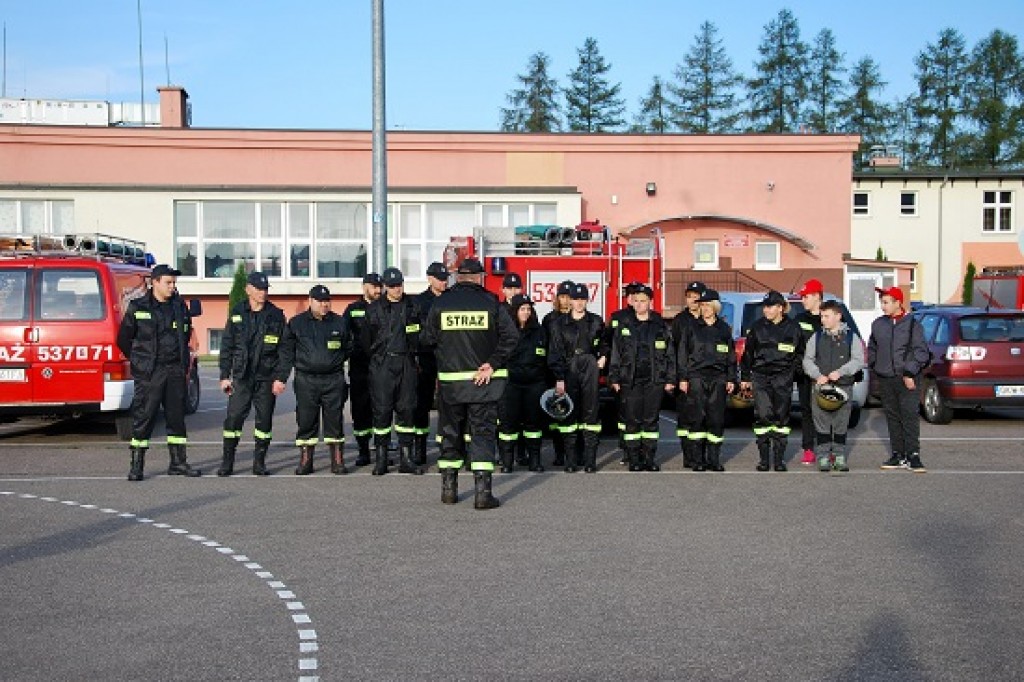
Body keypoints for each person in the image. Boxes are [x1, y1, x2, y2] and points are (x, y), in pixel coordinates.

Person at [421, 258, 517, 508]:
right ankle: (483, 494)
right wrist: (492, 363)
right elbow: (511, 337)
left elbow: (427, 339)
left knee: (450, 434)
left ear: (458, 276)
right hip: (483, 384)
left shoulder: (441, 303)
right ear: (478, 277)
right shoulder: (491, 303)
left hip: (451, 385)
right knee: (482, 434)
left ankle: (449, 491)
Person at [117, 264, 200, 481]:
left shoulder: (179, 307)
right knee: (144, 418)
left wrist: (183, 366)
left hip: (174, 371)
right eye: (168, 283)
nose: (172, 287)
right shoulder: (138, 306)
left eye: (174, 283)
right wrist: (139, 362)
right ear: (155, 282)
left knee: (176, 418)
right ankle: (137, 466)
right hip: (150, 373)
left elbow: (186, 335)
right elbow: (123, 339)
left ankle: (178, 463)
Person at [273, 285, 351, 475]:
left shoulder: (339, 322)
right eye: (320, 301)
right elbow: (286, 353)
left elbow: (349, 346)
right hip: (306, 380)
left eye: (327, 301)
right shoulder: (296, 323)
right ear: (310, 301)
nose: (324, 305)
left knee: (334, 420)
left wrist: (336, 362)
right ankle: (306, 460)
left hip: (333, 379)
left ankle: (337, 460)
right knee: (306, 421)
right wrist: (280, 378)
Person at [217, 271, 286, 476]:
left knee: (264, 422)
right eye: (259, 289)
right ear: (248, 289)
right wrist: (224, 375)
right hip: (242, 377)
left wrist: (280, 378)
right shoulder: (238, 312)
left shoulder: (276, 315)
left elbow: (284, 350)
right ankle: (227, 462)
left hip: (266, 378)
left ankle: (259, 462)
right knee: (233, 420)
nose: (263, 293)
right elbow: (227, 346)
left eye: (265, 289)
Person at [363, 266, 422, 476]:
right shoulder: (374, 309)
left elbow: (419, 335)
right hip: (383, 364)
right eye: (394, 286)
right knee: (382, 411)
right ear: (386, 287)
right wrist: (378, 359)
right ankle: (381, 457)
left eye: (400, 285)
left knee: (407, 409)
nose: (398, 289)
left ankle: (407, 457)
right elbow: (366, 341)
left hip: (406, 362)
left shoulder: (413, 306)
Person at [608, 284, 675, 472]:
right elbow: (616, 353)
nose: (639, 304)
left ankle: (649, 459)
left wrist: (670, 379)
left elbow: (670, 354)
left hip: (654, 380)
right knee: (632, 420)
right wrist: (614, 377)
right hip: (630, 380)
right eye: (636, 301)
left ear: (650, 302)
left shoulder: (660, 326)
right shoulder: (624, 325)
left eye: (643, 301)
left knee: (651, 421)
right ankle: (634, 459)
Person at [739, 290, 804, 472]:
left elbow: (800, 354)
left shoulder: (793, 328)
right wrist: (745, 377)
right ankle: (764, 459)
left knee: (781, 418)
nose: (765, 310)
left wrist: (793, 373)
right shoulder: (757, 327)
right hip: (760, 376)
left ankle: (779, 459)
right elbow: (748, 354)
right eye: (765, 307)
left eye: (769, 307)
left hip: (783, 377)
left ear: (781, 308)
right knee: (763, 416)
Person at [868, 286, 930, 473]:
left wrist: (910, 373)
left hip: (907, 379)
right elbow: (872, 347)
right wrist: (875, 365)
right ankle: (898, 454)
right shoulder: (878, 324)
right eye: (882, 302)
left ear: (898, 303)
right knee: (892, 416)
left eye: (886, 302)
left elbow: (921, 352)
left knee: (909, 415)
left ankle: (913, 455)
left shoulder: (912, 325)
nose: (883, 306)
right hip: (886, 378)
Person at [548, 282, 607, 473]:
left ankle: (590, 461)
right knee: (570, 414)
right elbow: (555, 352)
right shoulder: (559, 324)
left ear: (587, 301)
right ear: (570, 301)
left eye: (582, 299)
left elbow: (605, 343)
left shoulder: (596, 321)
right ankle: (571, 460)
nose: (579, 303)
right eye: (576, 299)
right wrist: (559, 377)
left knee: (591, 413)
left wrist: (603, 356)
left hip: (590, 365)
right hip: (569, 367)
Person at [803, 299, 865, 473]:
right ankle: (823, 456)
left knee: (840, 423)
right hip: (820, 388)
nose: (823, 319)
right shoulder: (816, 337)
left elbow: (859, 360)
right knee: (821, 423)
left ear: (838, 316)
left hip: (843, 387)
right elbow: (807, 360)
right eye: (822, 316)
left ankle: (838, 456)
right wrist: (817, 375)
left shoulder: (852, 337)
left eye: (827, 316)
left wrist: (842, 372)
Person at [677, 289, 736, 472]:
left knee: (716, 419)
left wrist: (731, 378)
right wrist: (683, 378)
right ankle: (697, 460)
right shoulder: (691, 328)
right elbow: (682, 354)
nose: (704, 309)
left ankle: (714, 459)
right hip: (696, 377)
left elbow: (731, 357)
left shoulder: (724, 329)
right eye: (702, 305)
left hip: (718, 378)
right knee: (697, 419)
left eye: (708, 305)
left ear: (715, 307)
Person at [497, 294, 548, 473]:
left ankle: (535, 460)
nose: (526, 312)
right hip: (511, 384)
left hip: (534, 384)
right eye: (522, 309)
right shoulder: (506, 331)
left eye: (528, 309)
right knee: (508, 425)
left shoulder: (539, 331)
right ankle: (507, 462)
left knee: (533, 425)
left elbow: (546, 357)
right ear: (514, 311)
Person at [341, 273, 383, 466]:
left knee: (381, 408)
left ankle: (382, 450)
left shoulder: (385, 307)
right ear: (365, 287)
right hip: (359, 367)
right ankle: (363, 450)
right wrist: (353, 350)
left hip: (381, 366)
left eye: (379, 286)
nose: (378, 290)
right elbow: (344, 335)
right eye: (374, 286)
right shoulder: (353, 309)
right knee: (360, 408)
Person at [413, 262, 449, 467]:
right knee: (422, 403)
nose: (443, 282)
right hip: (426, 357)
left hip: (447, 357)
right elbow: (413, 330)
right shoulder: (419, 302)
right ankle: (420, 449)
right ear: (429, 278)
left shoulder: (452, 299)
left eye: (445, 279)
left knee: (448, 405)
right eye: (439, 278)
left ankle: (447, 447)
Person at [671, 280, 706, 468]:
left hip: (703, 376)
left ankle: (700, 455)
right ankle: (688, 455)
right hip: (683, 375)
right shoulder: (679, 320)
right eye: (689, 297)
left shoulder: (709, 319)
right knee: (685, 417)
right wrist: (677, 376)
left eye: (696, 297)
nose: (692, 300)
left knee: (701, 416)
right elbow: (674, 349)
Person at [605, 281, 640, 464]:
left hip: (643, 375)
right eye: (631, 295)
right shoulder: (617, 317)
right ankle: (625, 444)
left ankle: (637, 447)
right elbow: (610, 344)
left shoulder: (652, 318)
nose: (634, 298)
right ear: (627, 298)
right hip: (623, 373)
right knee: (623, 412)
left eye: (638, 295)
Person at [542, 280, 574, 467]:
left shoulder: (578, 318)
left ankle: (573, 453)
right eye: (562, 296)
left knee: (572, 415)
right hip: (553, 372)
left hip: (574, 372)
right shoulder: (549, 319)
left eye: (569, 297)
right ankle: (559, 452)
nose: (566, 301)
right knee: (556, 415)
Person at [794, 278, 825, 465]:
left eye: (805, 297)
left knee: (826, 412)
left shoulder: (830, 316)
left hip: (827, 375)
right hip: (806, 374)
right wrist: (800, 368)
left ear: (816, 296)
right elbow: (796, 347)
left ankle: (827, 448)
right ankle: (808, 448)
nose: (803, 300)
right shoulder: (799, 320)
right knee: (807, 411)